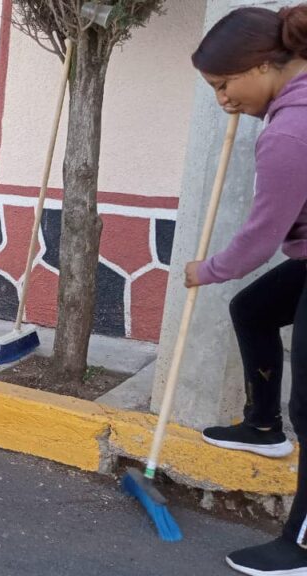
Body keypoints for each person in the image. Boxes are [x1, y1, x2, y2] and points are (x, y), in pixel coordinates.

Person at [186, 5, 307, 574]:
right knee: (255, 307)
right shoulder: (292, 107)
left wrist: (206, 269)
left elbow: (260, 241)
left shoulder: (289, 131)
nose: (223, 100)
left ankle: (301, 546)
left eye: (224, 85)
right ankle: (262, 427)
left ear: (263, 65)